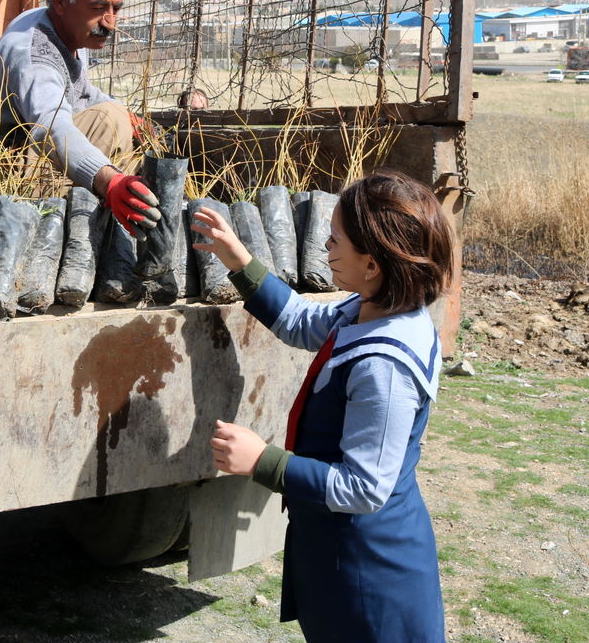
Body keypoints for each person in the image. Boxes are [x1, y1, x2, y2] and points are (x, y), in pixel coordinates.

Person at [192, 170, 452, 642]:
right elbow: (298, 320)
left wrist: (262, 461)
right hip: (339, 552)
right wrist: (240, 262)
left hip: (368, 573)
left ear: (371, 265)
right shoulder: (371, 309)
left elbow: (365, 489)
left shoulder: (384, 367)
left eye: (335, 242)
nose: (326, 251)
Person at [0, 0, 160, 238]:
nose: (110, 22)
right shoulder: (35, 53)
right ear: (61, 1)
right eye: (99, 7)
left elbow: (82, 91)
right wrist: (109, 182)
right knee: (109, 121)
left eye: (116, 8)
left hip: (27, 155)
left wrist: (133, 118)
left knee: (120, 118)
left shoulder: (70, 27)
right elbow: (51, 127)